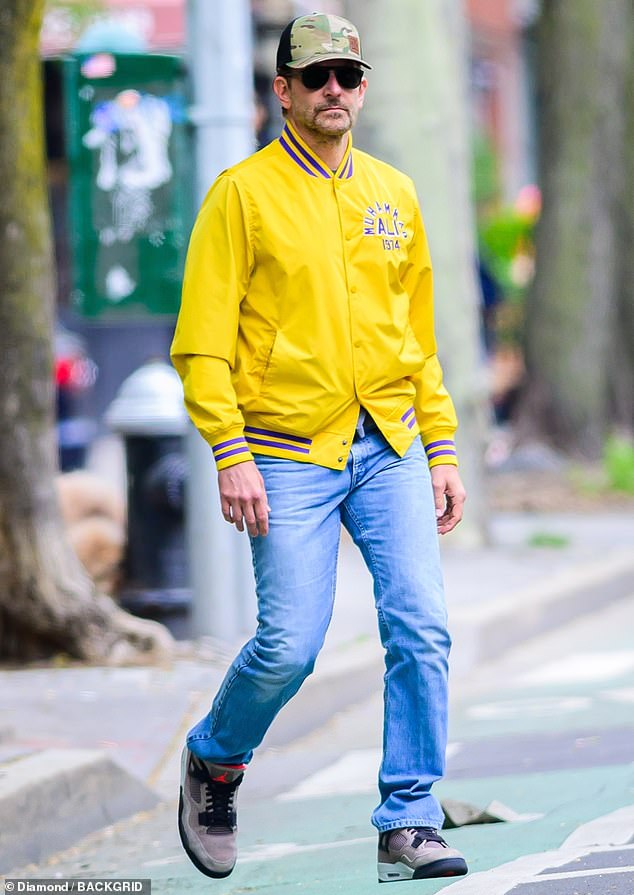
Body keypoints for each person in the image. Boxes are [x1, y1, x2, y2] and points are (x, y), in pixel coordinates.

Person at [170, 12, 468, 884]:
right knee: (290, 643)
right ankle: (216, 759)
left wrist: (440, 447)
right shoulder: (241, 194)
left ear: (363, 87)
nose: (334, 90)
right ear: (283, 91)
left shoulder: (393, 194)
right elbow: (200, 341)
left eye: (348, 75)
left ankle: (409, 819)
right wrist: (230, 450)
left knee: (422, 625)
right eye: (316, 77)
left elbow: (418, 340)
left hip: (389, 443)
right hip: (285, 452)